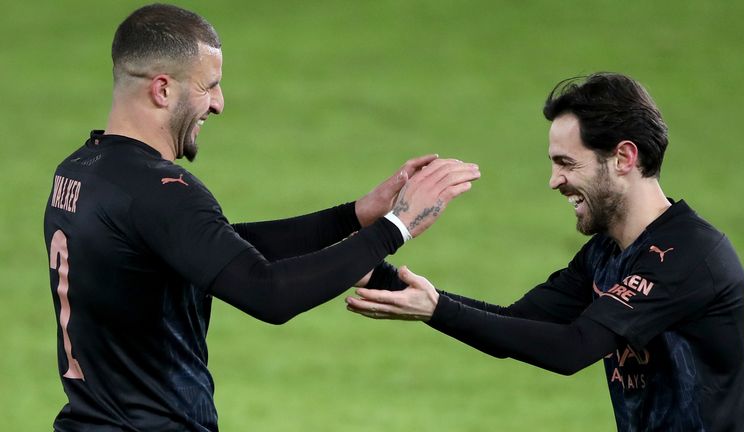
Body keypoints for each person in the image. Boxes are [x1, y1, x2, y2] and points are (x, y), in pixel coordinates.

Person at [43, 4, 480, 431]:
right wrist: (396, 227)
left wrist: (354, 216)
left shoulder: (81, 171)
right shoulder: (162, 192)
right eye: (208, 86)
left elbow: (217, 248)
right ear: (162, 89)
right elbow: (267, 293)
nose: (219, 103)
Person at [347, 72, 744, 431]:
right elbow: (514, 323)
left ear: (624, 158)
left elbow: (573, 348)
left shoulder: (687, 254)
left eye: (566, 163)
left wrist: (435, 309)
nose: (554, 181)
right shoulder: (605, 254)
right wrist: (377, 273)